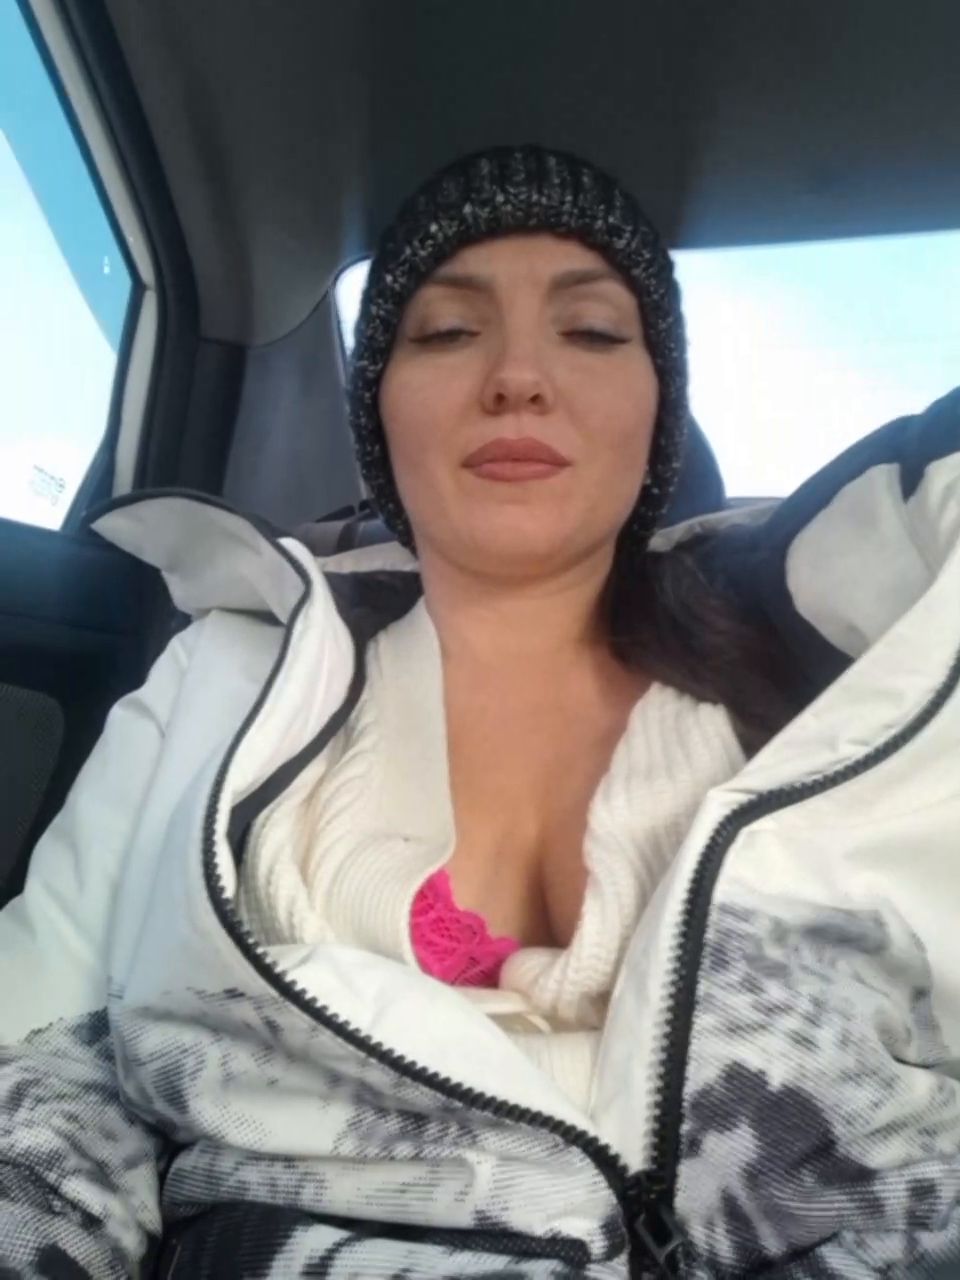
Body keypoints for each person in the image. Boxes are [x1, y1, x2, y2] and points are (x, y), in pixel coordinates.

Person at [0, 145, 958, 1279]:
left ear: (659, 406)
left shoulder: (833, 655)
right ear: (378, 412)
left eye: (592, 331)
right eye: (449, 332)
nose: (518, 376)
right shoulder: (221, 675)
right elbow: (33, 1072)